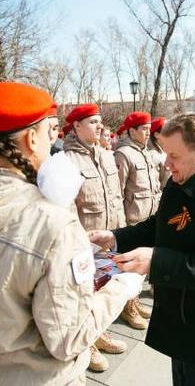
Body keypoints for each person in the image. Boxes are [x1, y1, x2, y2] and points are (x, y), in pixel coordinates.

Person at [0, 82, 142, 385]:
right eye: (49, 130)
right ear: (31, 138)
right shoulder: (53, 223)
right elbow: (69, 338)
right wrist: (123, 286)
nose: (53, 137)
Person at [89, 113, 195, 386]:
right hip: (177, 310)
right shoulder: (181, 179)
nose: (167, 163)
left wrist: (156, 260)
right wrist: (114, 237)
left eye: (174, 156)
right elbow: (159, 226)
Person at [62, 103, 129, 372]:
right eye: (92, 122)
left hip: (109, 236)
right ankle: (84, 341)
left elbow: (117, 196)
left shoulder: (104, 154)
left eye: (100, 122)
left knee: (105, 290)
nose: (99, 126)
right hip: (84, 244)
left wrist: (119, 232)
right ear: (76, 126)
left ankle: (98, 332)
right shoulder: (66, 161)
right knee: (83, 294)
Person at [114, 111, 161, 330]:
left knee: (140, 269)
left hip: (148, 216)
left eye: (148, 128)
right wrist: (122, 222)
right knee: (130, 267)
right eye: (143, 128)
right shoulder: (123, 154)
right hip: (133, 219)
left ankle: (135, 300)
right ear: (132, 131)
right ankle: (127, 307)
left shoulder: (148, 153)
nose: (148, 132)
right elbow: (118, 191)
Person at [148, 117, 171, 188]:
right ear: (157, 135)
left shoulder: (163, 152)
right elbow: (154, 187)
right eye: (167, 131)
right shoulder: (153, 155)